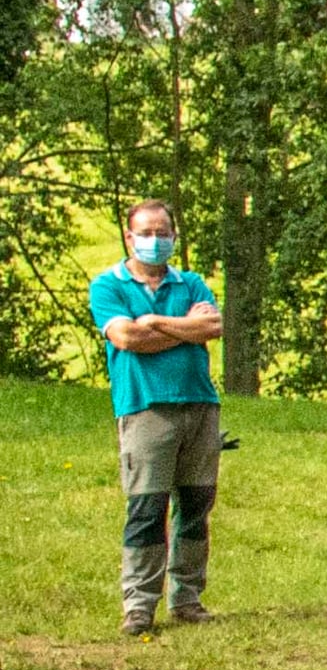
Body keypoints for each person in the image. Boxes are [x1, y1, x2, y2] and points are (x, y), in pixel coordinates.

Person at [91, 195, 225, 637]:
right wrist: (181, 329)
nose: (154, 241)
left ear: (173, 236)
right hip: (145, 408)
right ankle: (139, 606)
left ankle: (187, 599)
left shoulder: (190, 283)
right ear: (129, 237)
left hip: (199, 406)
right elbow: (126, 338)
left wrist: (153, 321)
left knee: (195, 506)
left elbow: (211, 327)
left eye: (162, 233)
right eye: (145, 233)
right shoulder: (107, 286)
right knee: (147, 508)